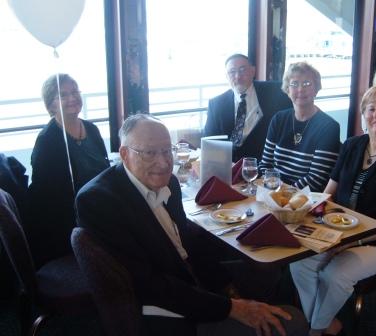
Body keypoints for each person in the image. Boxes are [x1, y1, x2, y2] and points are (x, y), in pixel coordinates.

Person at [75, 114, 308, 336]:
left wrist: (228, 290)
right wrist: (233, 308)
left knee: (269, 274)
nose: (164, 162)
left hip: (188, 280)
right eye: (150, 153)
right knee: (295, 320)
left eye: (168, 151)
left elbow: (188, 248)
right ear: (124, 154)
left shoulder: (170, 184)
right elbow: (150, 285)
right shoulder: (99, 201)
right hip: (165, 313)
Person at [289, 84, 376, 336]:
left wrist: (356, 240)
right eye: (371, 109)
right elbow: (328, 193)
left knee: (335, 274)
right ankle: (324, 322)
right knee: (299, 265)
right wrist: (300, 211)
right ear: (363, 114)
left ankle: (315, 331)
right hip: (337, 233)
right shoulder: (352, 145)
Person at [27, 74, 110, 267]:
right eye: (62, 95)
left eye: (74, 92)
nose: (72, 98)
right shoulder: (47, 141)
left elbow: (104, 170)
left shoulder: (92, 129)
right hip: (67, 223)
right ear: (51, 105)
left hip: (97, 207)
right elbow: (48, 199)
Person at [259, 62, 340, 192]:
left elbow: (316, 179)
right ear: (287, 89)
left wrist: (284, 193)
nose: (300, 89)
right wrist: (274, 189)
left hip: (305, 200)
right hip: (273, 192)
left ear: (316, 89)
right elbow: (265, 165)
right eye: (294, 84)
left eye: (307, 84)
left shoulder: (329, 127)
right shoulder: (278, 119)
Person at [204, 54, 292, 162]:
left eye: (242, 70)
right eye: (232, 72)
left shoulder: (276, 92)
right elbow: (209, 141)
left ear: (252, 71)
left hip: (264, 163)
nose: (238, 76)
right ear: (227, 77)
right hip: (229, 165)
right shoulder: (216, 104)